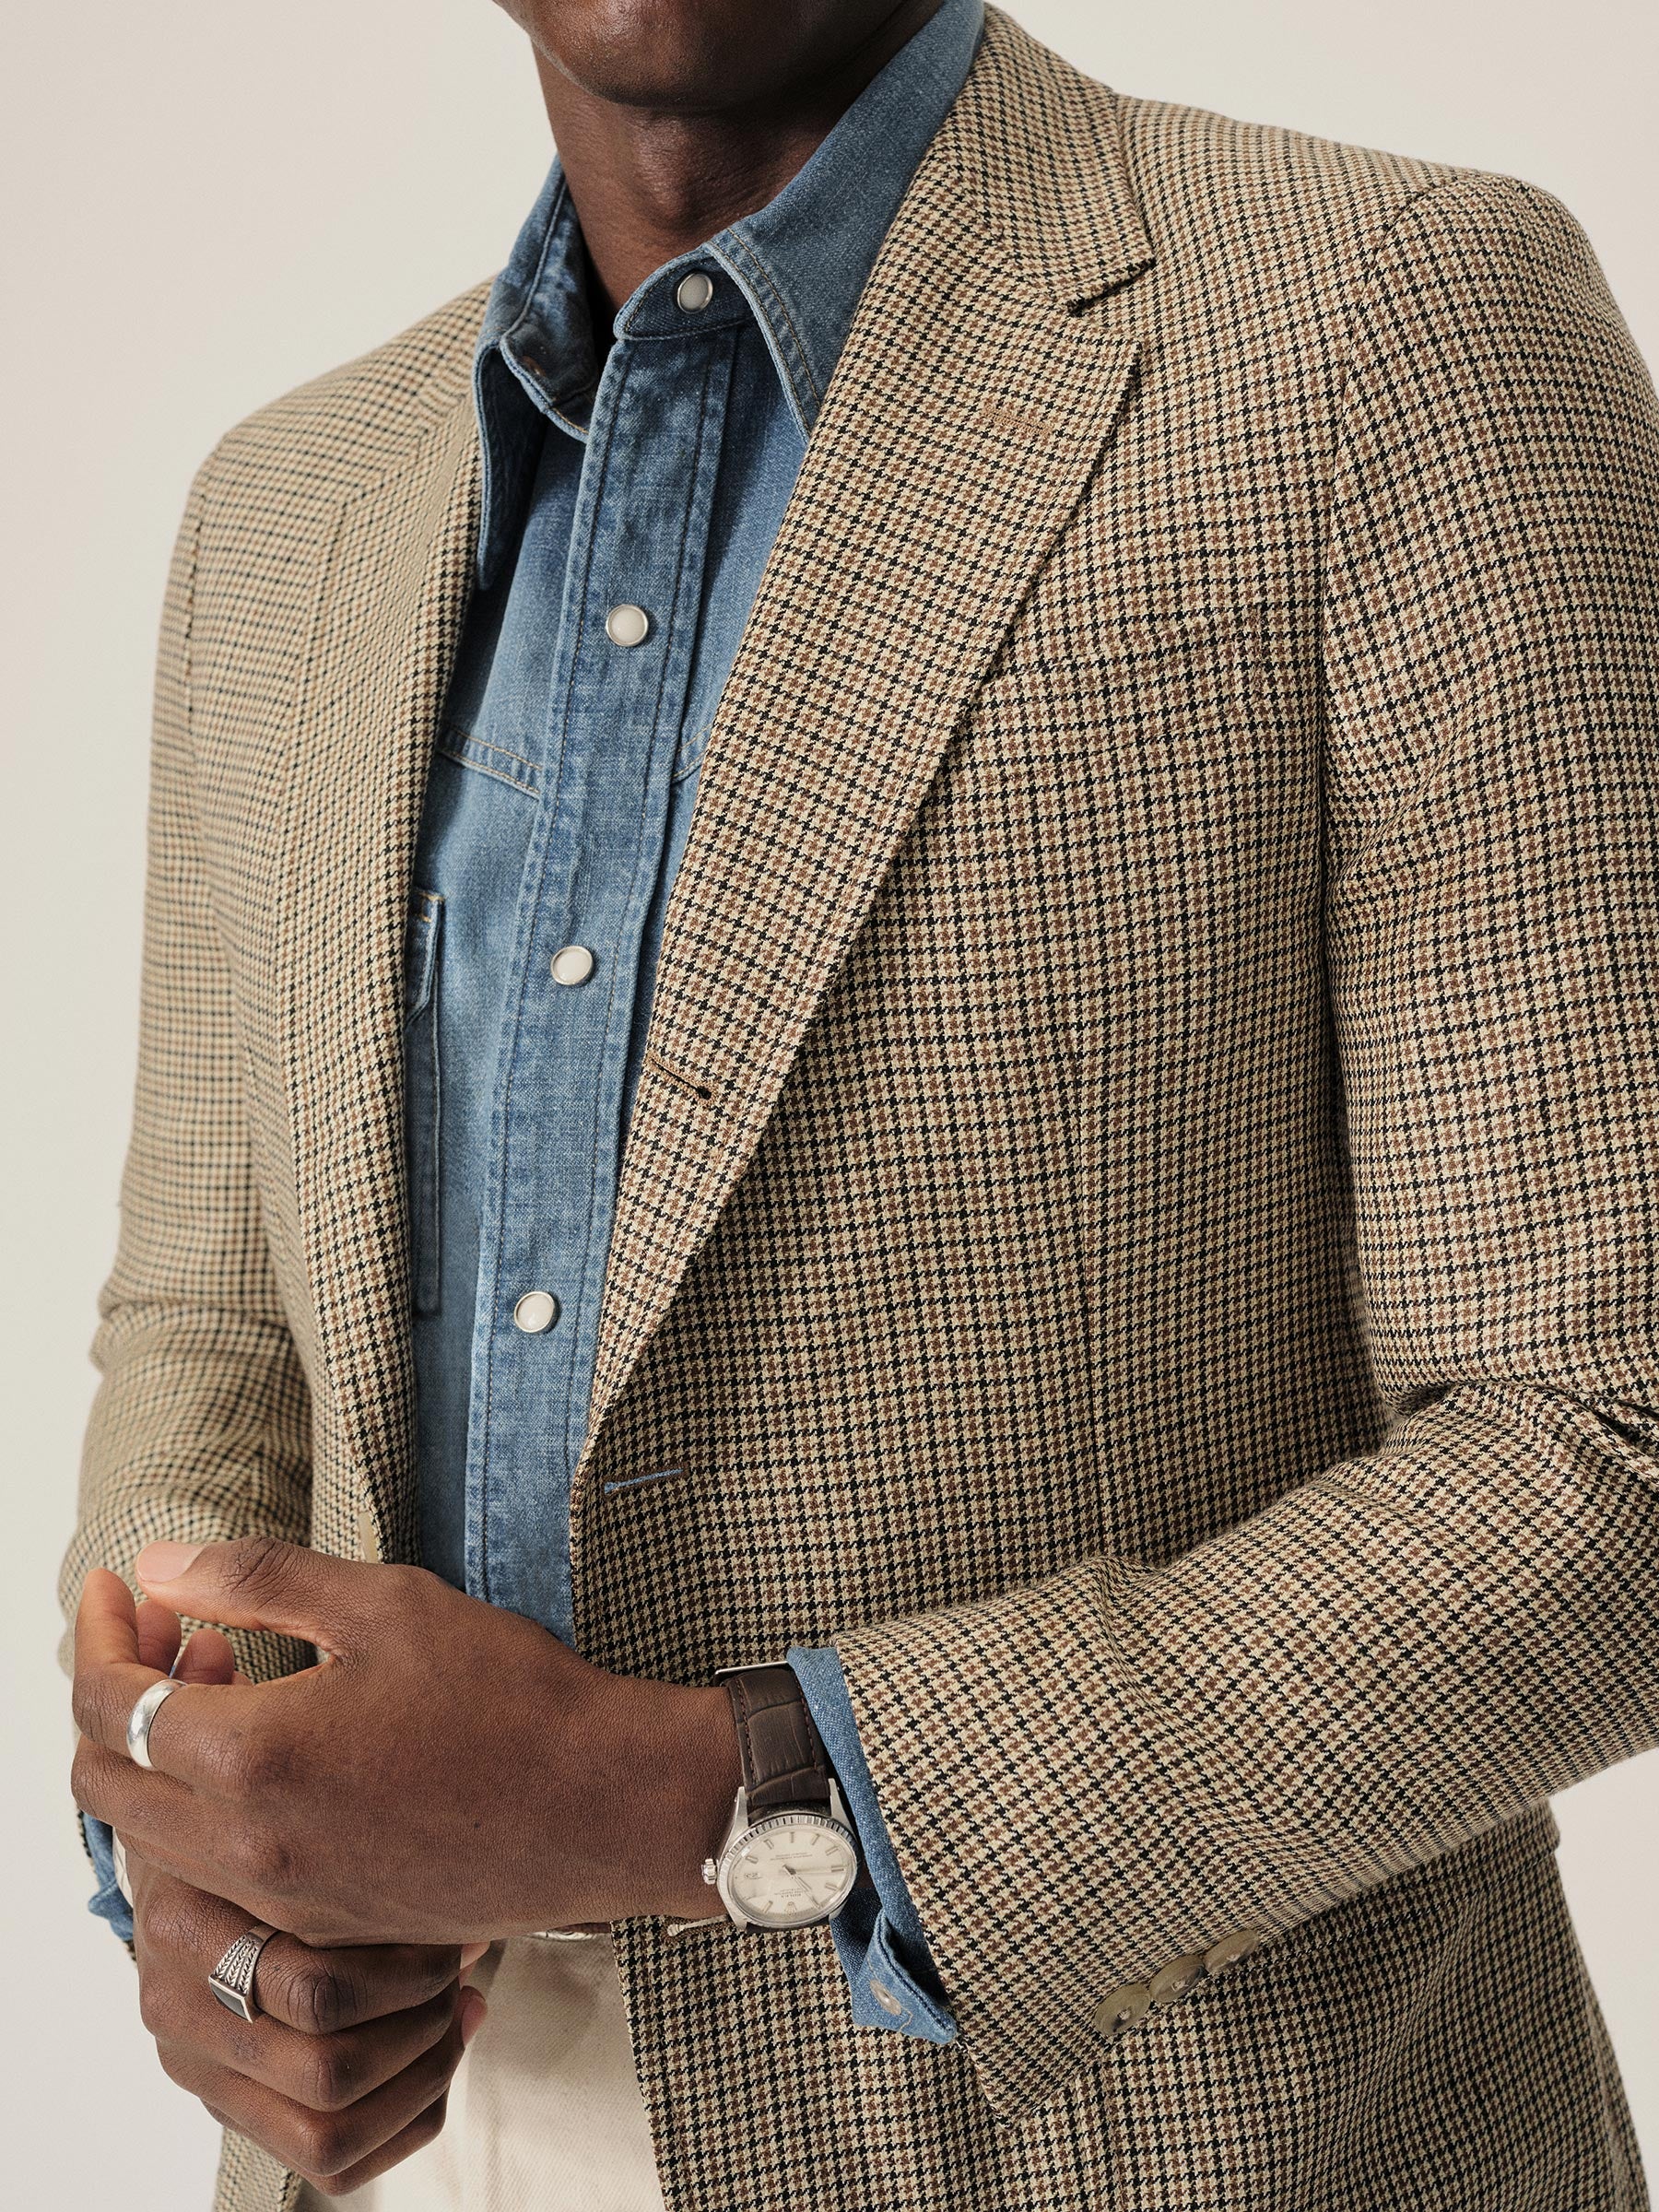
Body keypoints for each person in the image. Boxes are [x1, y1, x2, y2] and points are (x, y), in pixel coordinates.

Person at [59, 0, 1659, 2205]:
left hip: (1168, 2149)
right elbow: (212, 1327)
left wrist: (706, 1797)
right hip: (398, 2150)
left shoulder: (1390, 329)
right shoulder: (288, 512)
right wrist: (192, 1844)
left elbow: (1611, 1438)